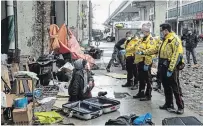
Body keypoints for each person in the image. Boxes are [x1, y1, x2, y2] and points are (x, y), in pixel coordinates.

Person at [137, 23, 185, 114]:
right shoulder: (164, 40)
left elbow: (176, 55)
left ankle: (180, 106)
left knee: (175, 87)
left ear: (166, 30)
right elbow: (155, 49)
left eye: (162, 31)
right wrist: (143, 52)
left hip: (171, 66)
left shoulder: (174, 39)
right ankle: (169, 103)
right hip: (162, 65)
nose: (161, 32)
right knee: (166, 86)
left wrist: (171, 69)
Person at [133, 24, 155, 101]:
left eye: (142, 31)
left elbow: (151, 50)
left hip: (146, 62)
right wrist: (127, 50)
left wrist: (143, 54)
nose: (141, 33)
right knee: (141, 78)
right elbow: (135, 46)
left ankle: (148, 95)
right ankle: (141, 92)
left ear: (147, 31)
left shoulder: (150, 40)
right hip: (140, 61)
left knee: (148, 79)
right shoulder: (142, 39)